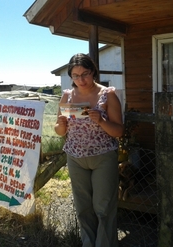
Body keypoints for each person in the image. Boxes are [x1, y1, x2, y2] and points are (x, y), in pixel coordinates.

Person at [54, 53, 124, 247]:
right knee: (83, 208)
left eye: (84, 74)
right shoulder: (67, 96)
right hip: (75, 158)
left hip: (103, 157)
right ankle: (88, 244)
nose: (81, 80)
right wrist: (61, 124)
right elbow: (60, 131)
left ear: (93, 71)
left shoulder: (107, 95)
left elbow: (119, 131)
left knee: (104, 208)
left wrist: (101, 121)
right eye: (75, 76)